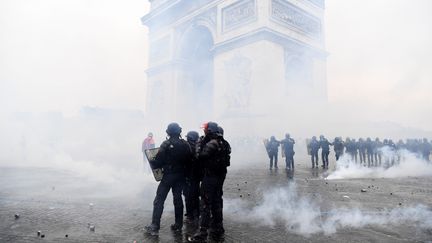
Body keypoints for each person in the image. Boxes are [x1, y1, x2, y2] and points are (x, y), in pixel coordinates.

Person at [144, 123, 192, 236]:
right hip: (180, 176)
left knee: (159, 200)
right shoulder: (185, 144)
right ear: (179, 131)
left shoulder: (166, 144)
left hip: (168, 176)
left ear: (168, 132)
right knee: (178, 200)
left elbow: (159, 161)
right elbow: (190, 160)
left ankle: (155, 226)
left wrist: (152, 161)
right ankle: (178, 226)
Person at [190, 122, 231, 241]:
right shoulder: (224, 142)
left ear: (209, 131)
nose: (204, 132)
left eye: (206, 130)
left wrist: (198, 143)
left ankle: (202, 232)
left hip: (211, 177)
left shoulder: (212, 143)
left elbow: (200, 156)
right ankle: (218, 227)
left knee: (206, 203)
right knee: (217, 201)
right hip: (220, 176)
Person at [183, 131, 201, 223]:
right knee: (196, 196)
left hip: (188, 176)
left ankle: (190, 216)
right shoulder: (199, 148)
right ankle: (197, 214)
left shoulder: (186, 148)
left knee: (188, 197)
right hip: (197, 177)